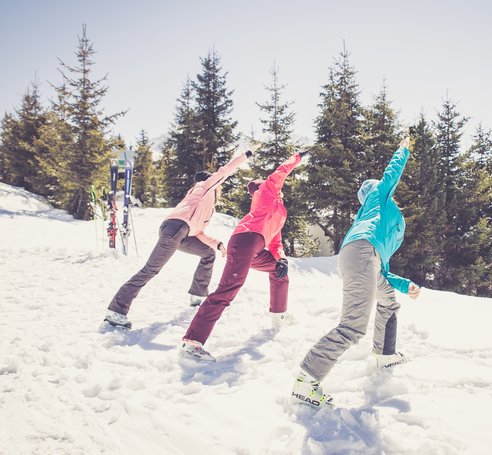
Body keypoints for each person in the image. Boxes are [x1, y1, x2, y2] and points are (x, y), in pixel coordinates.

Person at [292, 138, 421, 407]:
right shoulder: (378, 197)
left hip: (366, 257)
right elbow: (391, 174)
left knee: (388, 301)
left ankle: (385, 354)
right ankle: (307, 380)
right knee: (352, 326)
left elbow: (381, 269)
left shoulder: (377, 215)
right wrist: (403, 148)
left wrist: (405, 284)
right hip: (362, 255)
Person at [179, 150, 307, 362]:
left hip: (254, 245)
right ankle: (191, 344)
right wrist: (298, 157)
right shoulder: (267, 193)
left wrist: (282, 257)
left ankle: (278, 314)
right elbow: (281, 172)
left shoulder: (277, 210)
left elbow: (275, 239)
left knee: (278, 269)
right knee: (226, 291)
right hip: (245, 242)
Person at [103, 150, 253, 329]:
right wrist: (246, 155)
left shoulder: (205, 204)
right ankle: (116, 310)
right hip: (175, 229)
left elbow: (198, 232)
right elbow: (224, 171)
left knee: (208, 253)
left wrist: (218, 243)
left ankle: (198, 295)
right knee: (150, 270)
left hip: (182, 233)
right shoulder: (203, 188)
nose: (218, 186)